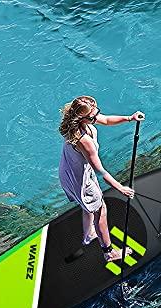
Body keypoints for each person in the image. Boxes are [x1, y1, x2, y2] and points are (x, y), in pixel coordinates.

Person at [58, 95, 145, 262]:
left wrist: (130, 118)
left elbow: (106, 120)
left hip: (71, 170)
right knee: (100, 210)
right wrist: (120, 187)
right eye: (93, 116)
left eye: (96, 112)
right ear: (82, 118)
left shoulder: (79, 121)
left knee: (88, 205)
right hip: (79, 178)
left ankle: (88, 235)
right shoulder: (83, 141)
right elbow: (100, 171)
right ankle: (109, 252)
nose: (97, 116)